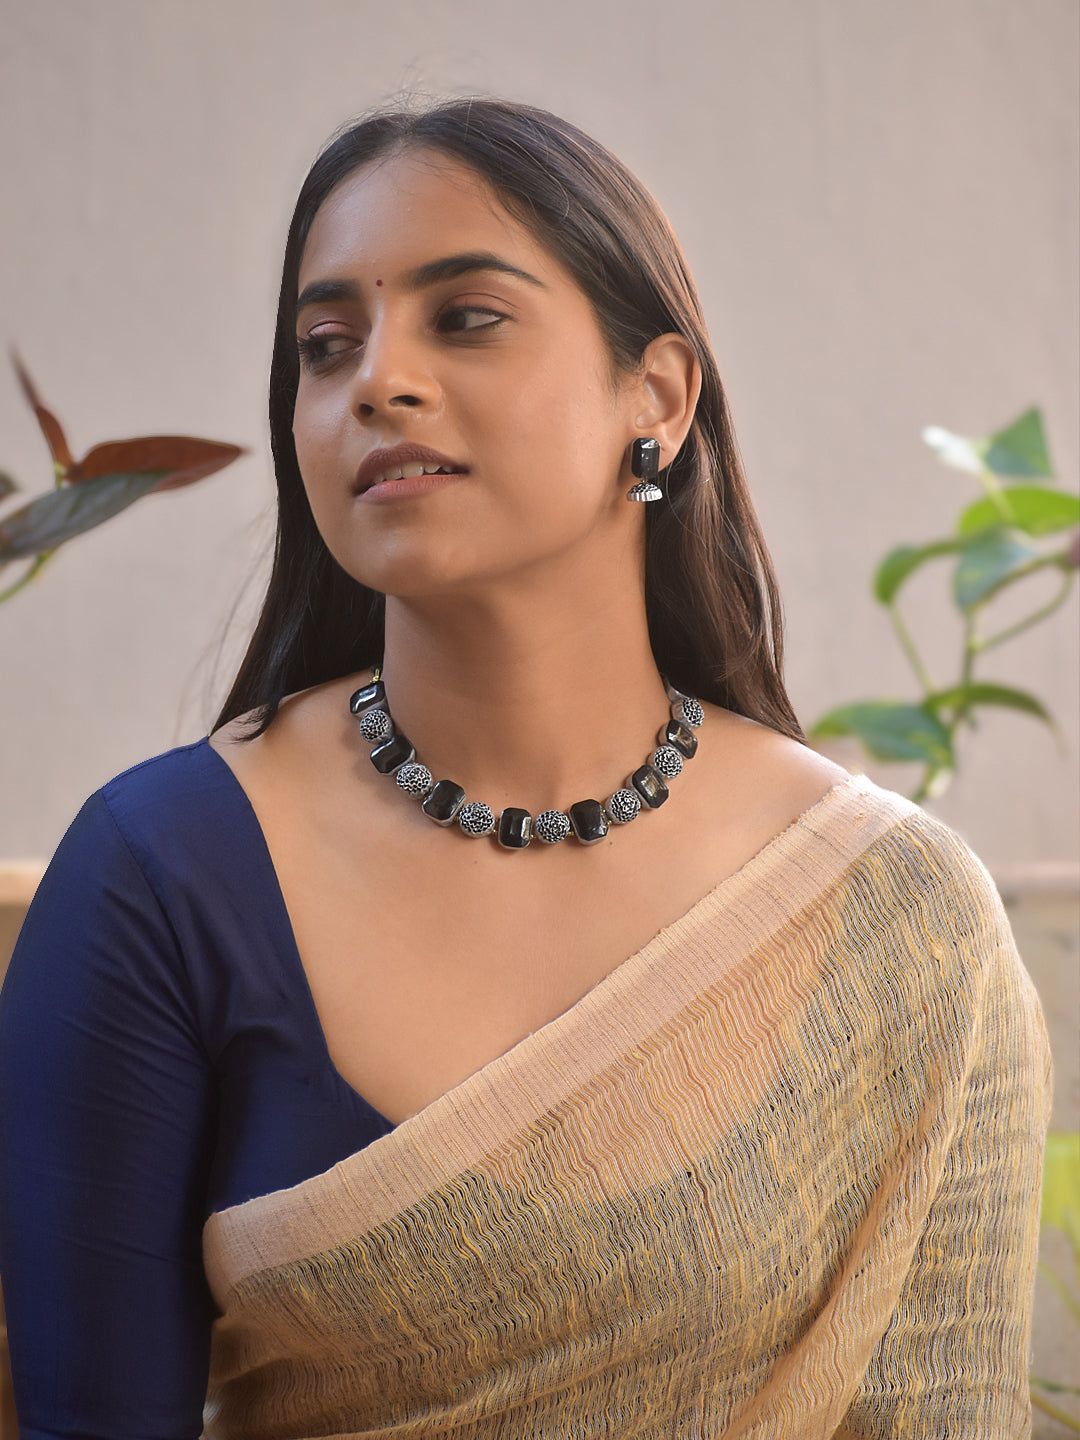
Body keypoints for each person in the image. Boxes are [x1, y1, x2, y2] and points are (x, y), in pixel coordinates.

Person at [0, 98, 1051, 1439]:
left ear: (657, 399)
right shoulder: (164, 877)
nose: (378, 378)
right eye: (327, 347)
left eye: (466, 318)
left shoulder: (901, 921)